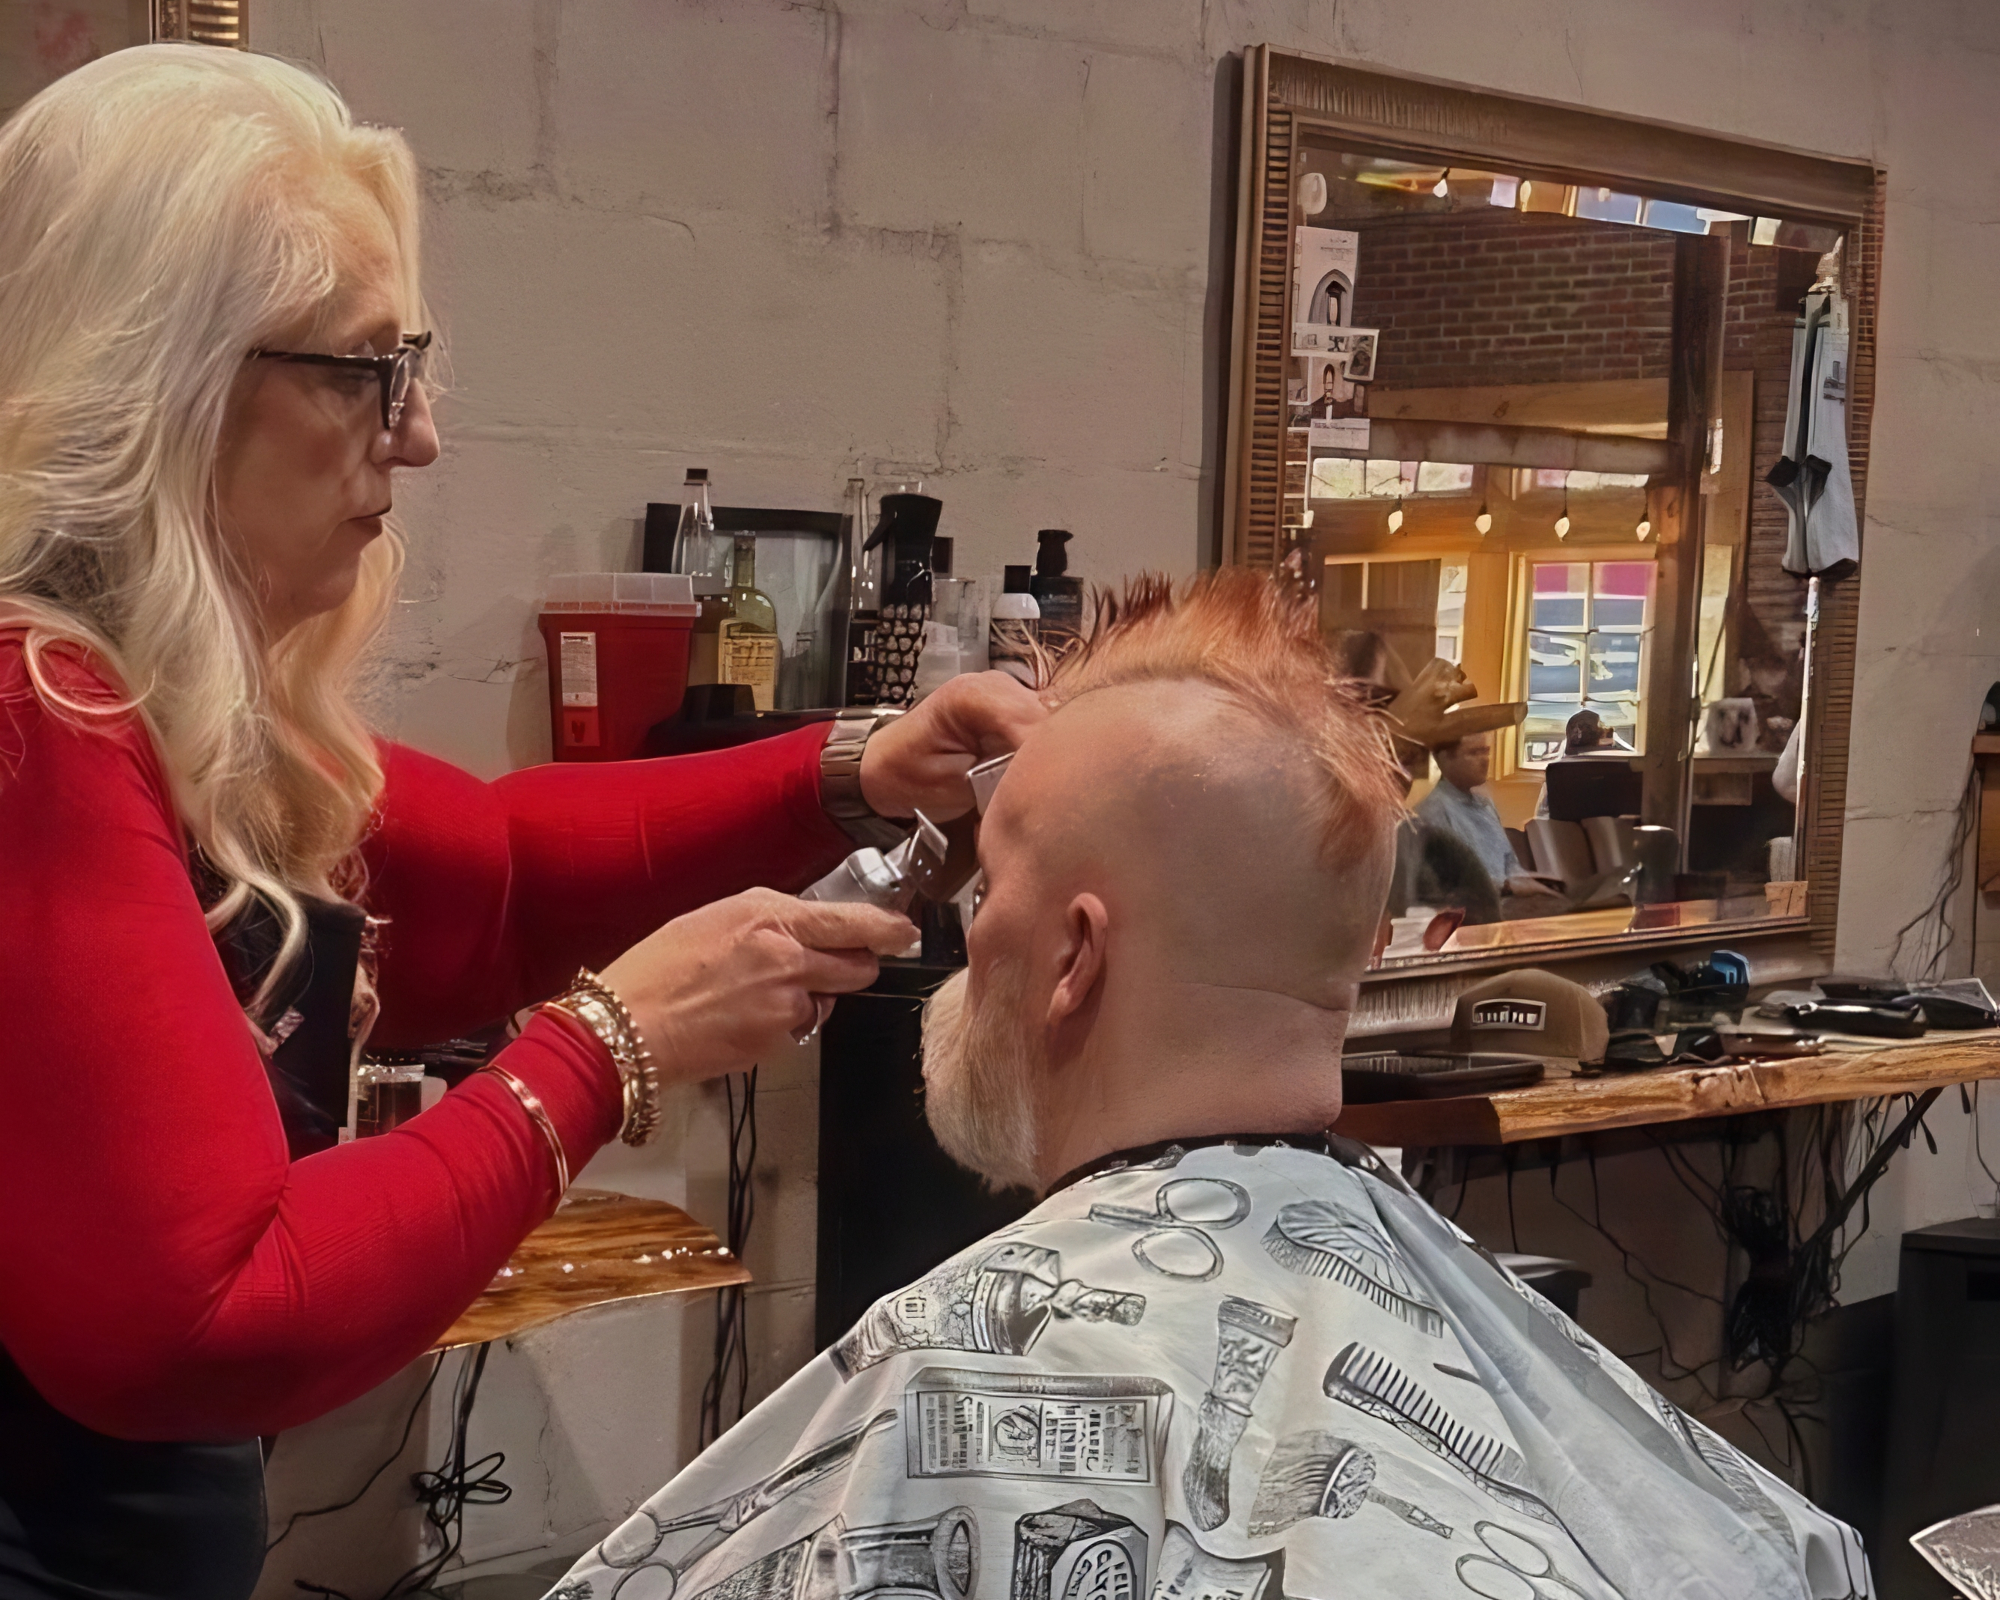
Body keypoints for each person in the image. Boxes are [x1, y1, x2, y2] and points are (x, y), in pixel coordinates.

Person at [0, 46, 1042, 1599]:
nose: (413, 438)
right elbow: (204, 1316)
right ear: (173, 379)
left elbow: (483, 877)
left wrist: (856, 765)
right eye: (366, 372)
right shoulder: (36, 720)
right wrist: (615, 1043)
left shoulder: (162, 712)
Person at [552, 572, 1870, 1600]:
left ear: (1075, 956)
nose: (965, 929)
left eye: (989, 882)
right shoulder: (1548, 1384)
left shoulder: (953, 1376)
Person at [1415, 730, 1553, 901]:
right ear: (1444, 759)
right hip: (1477, 910)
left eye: (1485, 751)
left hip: (1508, 900)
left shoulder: (1486, 806)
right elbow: (1446, 885)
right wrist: (1508, 887)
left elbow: (1510, 865)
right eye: (1474, 753)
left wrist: (1536, 883)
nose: (1485, 760)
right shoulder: (1434, 810)